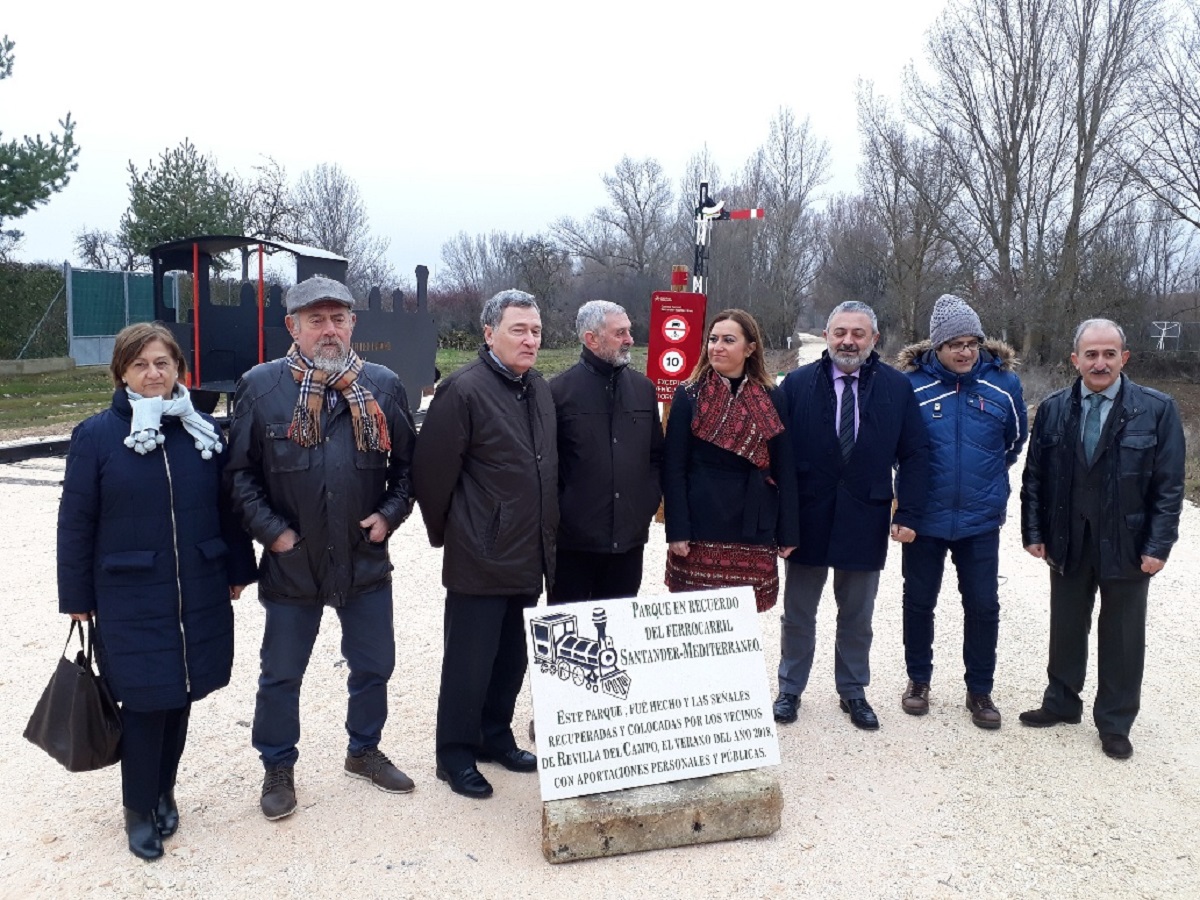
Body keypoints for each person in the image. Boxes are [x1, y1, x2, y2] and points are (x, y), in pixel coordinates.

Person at [57, 323, 257, 860]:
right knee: (146, 702)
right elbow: (76, 522)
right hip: (131, 591)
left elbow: (227, 508)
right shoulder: (96, 436)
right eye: (141, 364)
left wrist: (238, 566)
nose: (153, 373)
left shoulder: (201, 431)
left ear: (178, 369)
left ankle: (165, 791)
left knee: (183, 694)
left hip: (197, 584)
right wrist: (76, 596)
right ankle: (138, 808)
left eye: (162, 363)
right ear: (121, 371)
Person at [225, 275, 417, 820]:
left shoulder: (383, 386)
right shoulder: (261, 387)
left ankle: (364, 750)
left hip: (363, 558)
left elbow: (409, 468)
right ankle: (277, 765)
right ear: (293, 326)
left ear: (353, 324)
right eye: (316, 320)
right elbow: (239, 476)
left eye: (338, 318)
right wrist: (274, 533)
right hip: (294, 562)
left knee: (375, 665)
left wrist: (388, 516)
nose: (328, 330)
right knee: (281, 674)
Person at [413, 289, 557, 799]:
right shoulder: (463, 390)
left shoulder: (537, 387)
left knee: (512, 658)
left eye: (535, 331)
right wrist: (457, 534)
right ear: (489, 333)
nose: (530, 340)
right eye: (519, 330)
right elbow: (432, 475)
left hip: (528, 551)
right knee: (468, 664)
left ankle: (494, 735)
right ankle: (454, 754)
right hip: (481, 553)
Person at [1019, 319, 1184, 760]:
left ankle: (1115, 722)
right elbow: (1035, 478)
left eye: (1109, 354)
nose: (1100, 363)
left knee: (1123, 635)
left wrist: (1158, 546)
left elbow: (1169, 486)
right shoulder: (1053, 409)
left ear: (1124, 358)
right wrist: (1034, 532)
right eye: (1091, 354)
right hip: (1068, 538)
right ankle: (1061, 702)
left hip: (1129, 543)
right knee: (1066, 625)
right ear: (1075, 360)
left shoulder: (1156, 409)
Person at [773, 301, 929, 731]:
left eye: (858, 334)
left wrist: (909, 511)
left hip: (866, 515)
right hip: (808, 516)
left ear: (874, 339)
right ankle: (790, 689)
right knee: (798, 613)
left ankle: (853, 690)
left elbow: (915, 453)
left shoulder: (897, 388)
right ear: (826, 336)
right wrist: (781, 520)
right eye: (840, 332)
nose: (848, 341)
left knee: (857, 616)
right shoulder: (797, 385)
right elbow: (779, 457)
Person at [895, 295, 1028, 729]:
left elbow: (1014, 442)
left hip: (980, 518)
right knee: (919, 602)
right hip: (924, 519)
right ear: (938, 346)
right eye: (956, 344)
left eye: (972, 343)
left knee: (983, 605)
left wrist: (985, 479)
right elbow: (898, 449)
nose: (966, 352)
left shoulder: (1003, 384)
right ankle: (918, 681)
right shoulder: (911, 386)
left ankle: (980, 690)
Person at [662, 309, 799, 613]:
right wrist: (677, 530)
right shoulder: (689, 395)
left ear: (750, 348)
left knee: (743, 620)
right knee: (696, 618)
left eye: (728, 340)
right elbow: (673, 469)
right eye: (712, 339)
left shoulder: (772, 397)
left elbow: (784, 468)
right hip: (701, 521)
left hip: (753, 520)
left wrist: (788, 530)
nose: (717, 347)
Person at [550, 300, 663, 604]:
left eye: (629, 331)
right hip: (573, 545)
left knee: (620, 628)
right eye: (620, 333)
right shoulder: (557, 393)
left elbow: (655, 457)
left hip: (629, 543)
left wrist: (645, 505)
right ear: (592, 339)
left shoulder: (643, 389)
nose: (630, 339)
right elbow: (547, 465)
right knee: (570, 627)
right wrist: (565, 512)